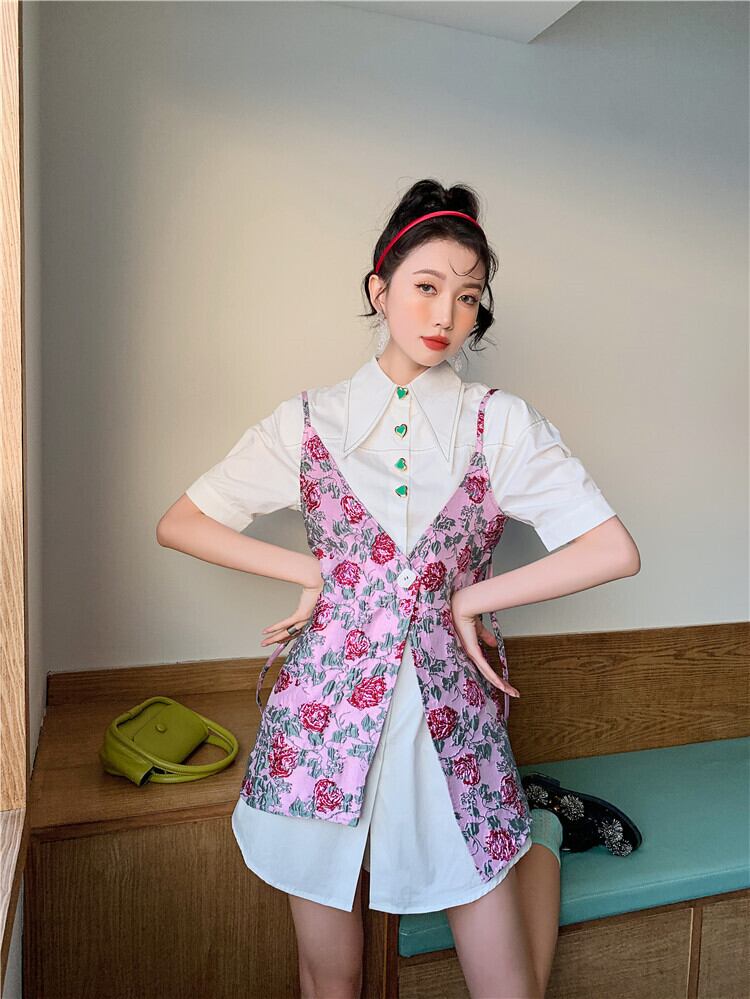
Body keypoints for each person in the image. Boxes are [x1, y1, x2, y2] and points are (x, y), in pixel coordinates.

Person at [157, 178, 642, 999]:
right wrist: (310, 569)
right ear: (379, 290)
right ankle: (540, 822)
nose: (445, 315)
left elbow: (612, 549)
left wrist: (468, 600)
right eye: (425, 287)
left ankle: (545, 831)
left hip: (450, 731)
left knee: (509, 988)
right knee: (331, 975)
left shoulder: (499, 423)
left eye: (468, 296)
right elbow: (182, 522)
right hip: (320, 731)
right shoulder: (308, 421)